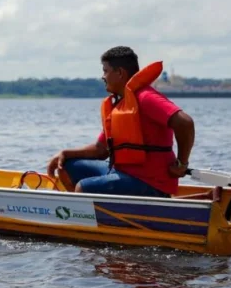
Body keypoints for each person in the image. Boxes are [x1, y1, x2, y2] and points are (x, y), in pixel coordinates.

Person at [47, 46, 195, 197]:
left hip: (151, 183)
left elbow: (185, 123)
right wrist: (65, 153)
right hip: (122, 173)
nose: (103, 76)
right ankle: (94, 212)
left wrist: (181, 164)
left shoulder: (146, 97)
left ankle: (84, 214)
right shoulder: (121, 104)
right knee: (65, 165)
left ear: (119, 73)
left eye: (105, 71)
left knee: (84, 188)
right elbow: (101, 149)